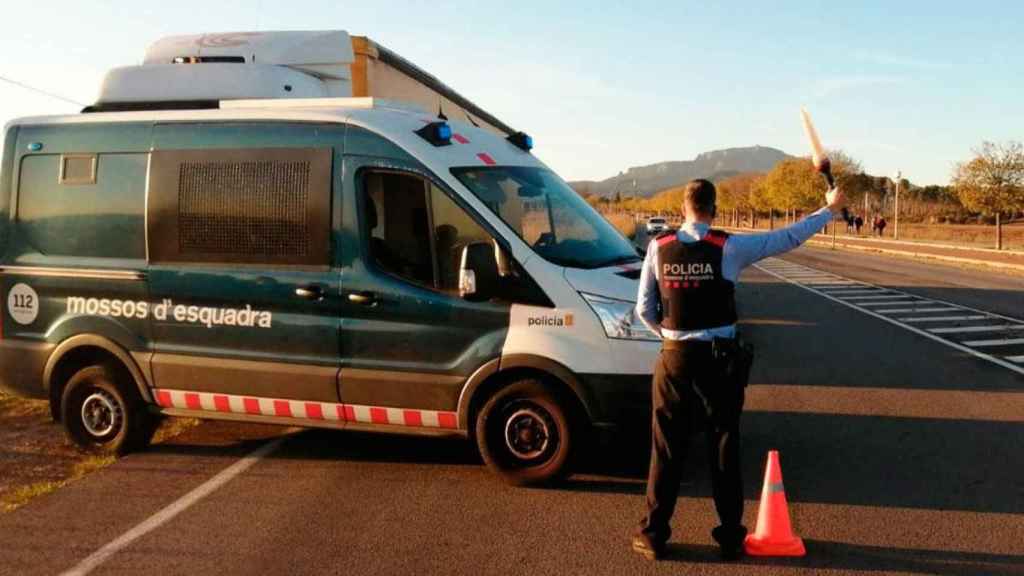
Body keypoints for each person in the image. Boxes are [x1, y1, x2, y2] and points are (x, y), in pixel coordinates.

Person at [631, 178, 845, 561]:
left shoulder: (658, 248)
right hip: (719, 360)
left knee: (665, 447)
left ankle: (653, 534)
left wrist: (670, 335)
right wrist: (828, 210)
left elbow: (644, 309)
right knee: (724, 445)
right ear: (712, 209)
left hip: (674, 357)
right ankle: (729, 536)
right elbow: (787, 238)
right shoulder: (728, 246)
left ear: (683, 208)